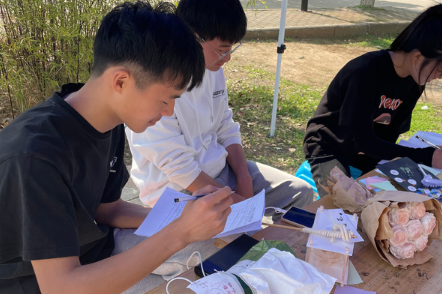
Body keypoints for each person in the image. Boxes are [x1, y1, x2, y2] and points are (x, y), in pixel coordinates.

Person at [0, 1, 233, 294]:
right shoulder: (32, 156)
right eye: (166, 100)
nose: (168, 113)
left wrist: (182, 218)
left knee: (207, 249)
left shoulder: (106, 121)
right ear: (121, 81)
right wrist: (179, 233)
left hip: (88, 246)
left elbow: (107, 209)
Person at [125, 0, 314, 210]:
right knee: (243, 227)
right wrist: (235, 202)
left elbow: (225, 124)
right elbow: (177, 166)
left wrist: (244, 178)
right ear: (192, 36)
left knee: (301, 193)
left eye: (231, 49)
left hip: (222, 171)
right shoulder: (154, 81)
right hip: (178, 189)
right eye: (222, 50)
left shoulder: (212, 69)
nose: (228, 57)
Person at [303, 4, 442, 197]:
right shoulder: (365, 72)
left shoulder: (414, 81)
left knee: (394, 200)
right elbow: (364, 141)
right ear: (417, 57)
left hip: (368, 152)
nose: (440, 76)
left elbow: (390, 134)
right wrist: (424, 156)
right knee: (344, 203)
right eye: (441, 69)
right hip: (330, 148)